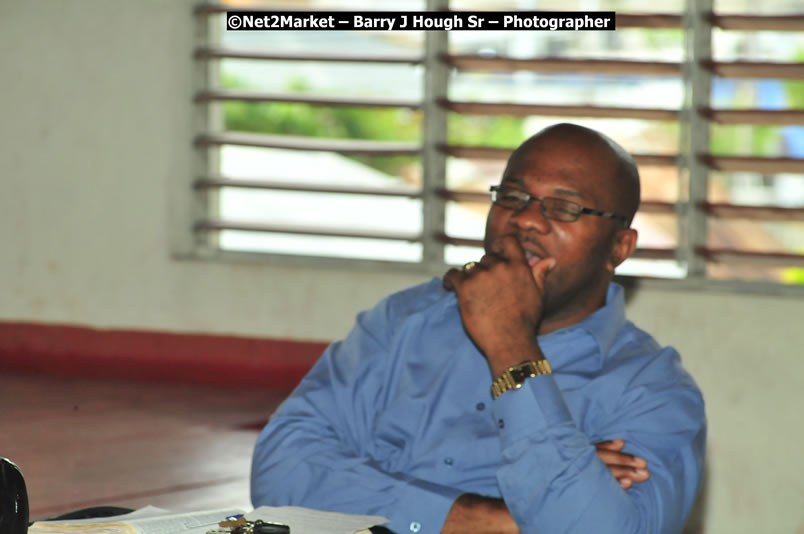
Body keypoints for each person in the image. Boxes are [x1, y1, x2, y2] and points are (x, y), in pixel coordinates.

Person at [250, 123, 706, 534]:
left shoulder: (654, 393)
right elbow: (280, 472)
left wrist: (511, 345)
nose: (526, 219)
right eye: (512, 197)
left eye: (565, 207)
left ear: (619, 247)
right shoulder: (404, 321)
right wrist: (506, 521)